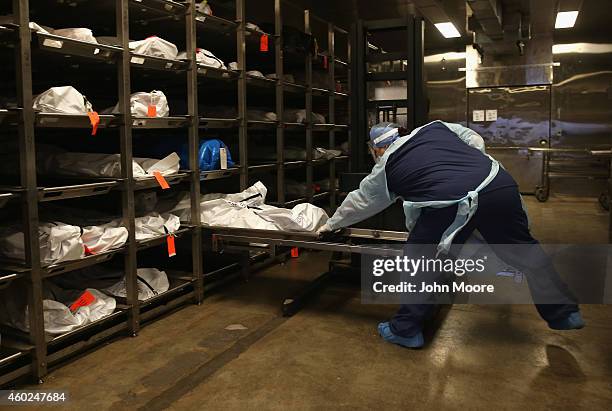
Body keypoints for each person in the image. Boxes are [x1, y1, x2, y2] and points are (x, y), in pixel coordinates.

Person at [317, 121, 584, 348]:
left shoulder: (386, 165)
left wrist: (331, 225)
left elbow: (361, 201)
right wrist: (472, 170)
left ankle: (406, 329)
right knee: (524, 251)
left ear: (378, 148)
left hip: (450, 200)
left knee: (419, 258)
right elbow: (472, 137)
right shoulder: (435, 128)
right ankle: (563, 313)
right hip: (497, 183)